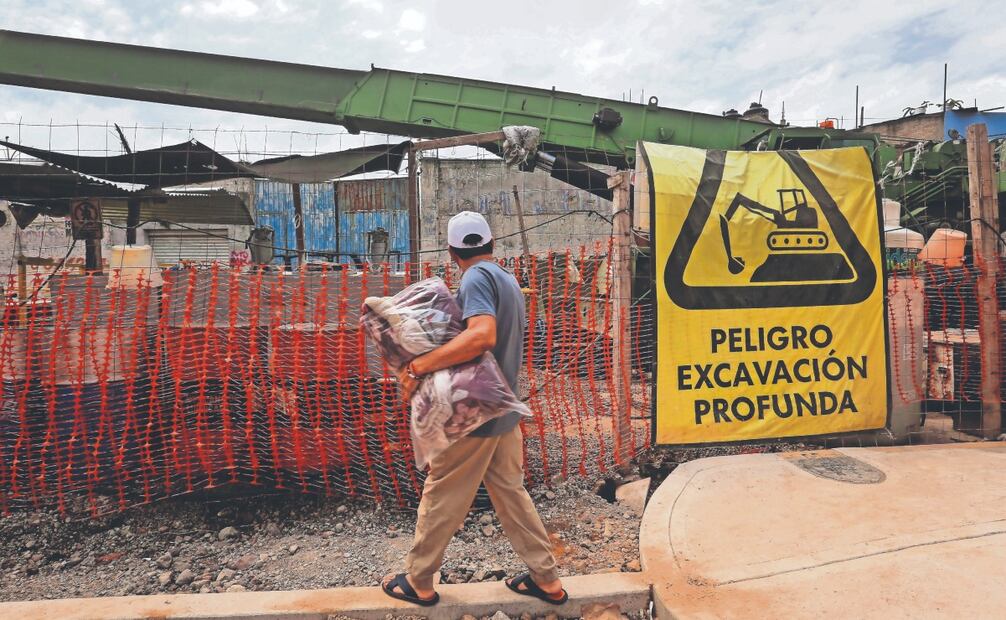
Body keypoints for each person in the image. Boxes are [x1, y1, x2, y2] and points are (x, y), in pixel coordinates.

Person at [381, 211, 568, 607]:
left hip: (476, 412)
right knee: (511, 494)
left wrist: (419, 365)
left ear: (451, 252)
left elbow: (482, 335)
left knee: (442, 493)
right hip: (503, 409)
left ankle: (418, 580)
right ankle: (547, 579)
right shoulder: (506, 279)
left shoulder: (475, 278)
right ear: (491, 244)